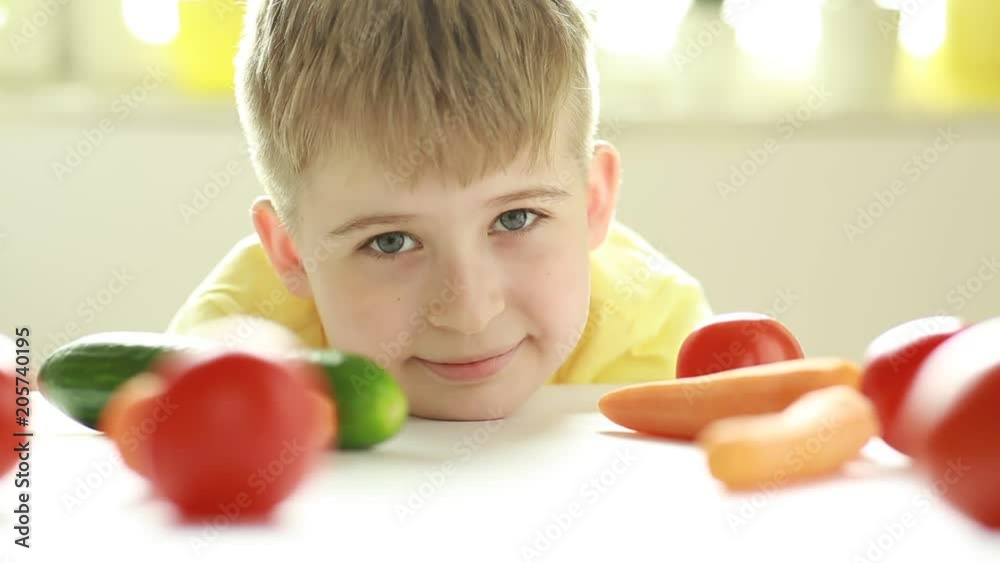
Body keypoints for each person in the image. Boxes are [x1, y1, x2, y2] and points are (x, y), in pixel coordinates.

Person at [167, 0, 712, 421]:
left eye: (515, 218)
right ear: (291, 251)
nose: (470, 311)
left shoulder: (661, 342)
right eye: (390, 241)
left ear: (594, 202)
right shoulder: (237, 348)